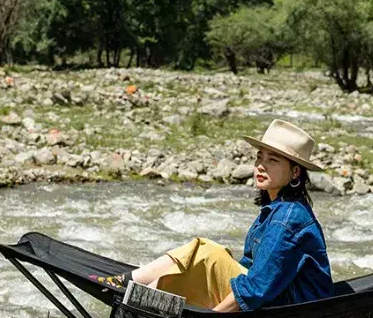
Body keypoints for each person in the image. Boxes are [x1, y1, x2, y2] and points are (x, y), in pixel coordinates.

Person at [90, 119, 333, 312]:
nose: (261, 165)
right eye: (259, 157)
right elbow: (249, 266)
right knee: (189, 270)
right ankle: (134, 297)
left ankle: (126, 285)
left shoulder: (289, 217)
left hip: (288, 309)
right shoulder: (276, 208)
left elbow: (255, 289)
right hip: (274, 299)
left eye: (273, 160)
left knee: (206, 251)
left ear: (295, 172)